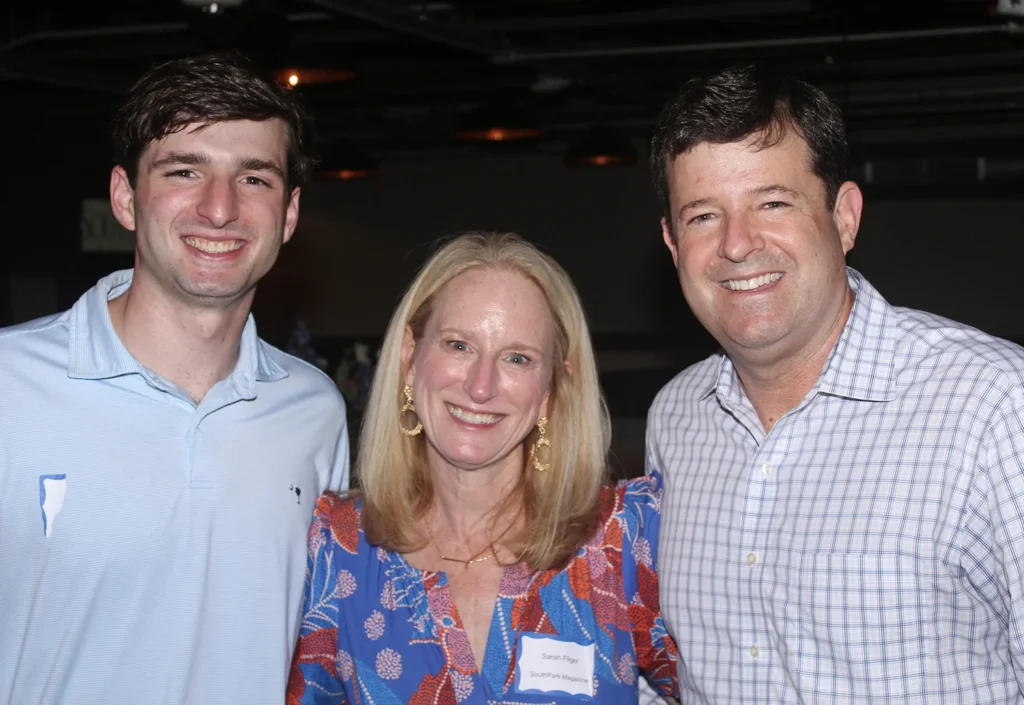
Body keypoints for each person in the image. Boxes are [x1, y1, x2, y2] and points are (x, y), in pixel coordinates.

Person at [644, 63, 1024, 702]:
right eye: (704, 216)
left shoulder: (994, 406)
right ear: (673, 243)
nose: (737, 245)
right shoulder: (677, 417)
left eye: (772, 202)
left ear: (844, 217)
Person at [0, 52, 349, 704]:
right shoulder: (9, 387)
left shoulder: (314, 412)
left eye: (254, 179)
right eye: (185, 171)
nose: (219, 209)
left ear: (290, 213)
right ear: (125, 198)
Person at [287, 232, 678, 704]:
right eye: (458, 346)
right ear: (411, 357)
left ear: (553, 385)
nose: (480, 386)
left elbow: (729, 683)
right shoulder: (336, 548)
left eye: (518, 358)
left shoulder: (626, 540)